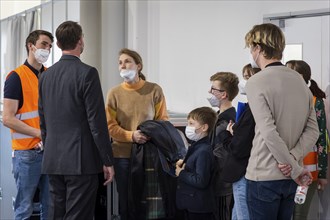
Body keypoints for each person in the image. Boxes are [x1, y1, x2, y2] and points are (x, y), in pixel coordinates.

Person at [38, 21, 115, 219]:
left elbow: (43, 121)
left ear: (58, 45)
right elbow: (96, 123)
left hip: (53, 160)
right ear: (81, 41)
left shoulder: (45, 77)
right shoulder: (87, 73)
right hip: (81, 161)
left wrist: (50, 150)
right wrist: (107, 160)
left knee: (57, 214)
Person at [244, 23, 320, 220]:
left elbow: (268, 132)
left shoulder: (256, 82)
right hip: (290, 178)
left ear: (258, 48)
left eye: (251, 47)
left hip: (264, 175)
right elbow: (313, 131)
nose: (251, 52)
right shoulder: (300, 81)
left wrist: (292, 166)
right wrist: (293, 160)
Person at [105, 48, 168, 220]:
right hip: (122, 156)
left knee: (147, 202)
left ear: (138, 66)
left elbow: (162, 120)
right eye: (120, 62)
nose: (123, 65)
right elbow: (110, 126)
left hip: (148, 155)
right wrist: (131, 136)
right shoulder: (114, 93)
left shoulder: (154, 90)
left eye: (127, 61)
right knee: (126, 201)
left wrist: (150, 135)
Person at [3, 29, 53, 220]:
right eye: (44, 44)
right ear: (31, 46)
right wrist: (40, 133)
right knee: (24, 209)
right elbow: (8, 118)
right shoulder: (16, 77)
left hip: (50, 152)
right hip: (27, 155)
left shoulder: (50, 75)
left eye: (49, 45)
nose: (47, 49)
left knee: (50, 209)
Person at [285, 60, 328, 220]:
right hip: (285, 167)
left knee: (299, 214)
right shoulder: (283, 100)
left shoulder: (316, 102)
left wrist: (323, 173)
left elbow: (322, 138)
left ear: (299, 76)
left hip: (307, 167)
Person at [176, 106, 217, 220]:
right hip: (192, 204)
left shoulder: (204, 151)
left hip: (199, 207)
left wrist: (181, 173)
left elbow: (201, 180)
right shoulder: (198, 146)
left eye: (191, 123)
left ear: (204, 127)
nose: (188, 127)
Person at [208, 71, 239, 220]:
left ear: (224, 94)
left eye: (213, 89)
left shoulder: (227, 121)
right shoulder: (219, 116)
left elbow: (221, 155)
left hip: (223, 185)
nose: (210, 92)